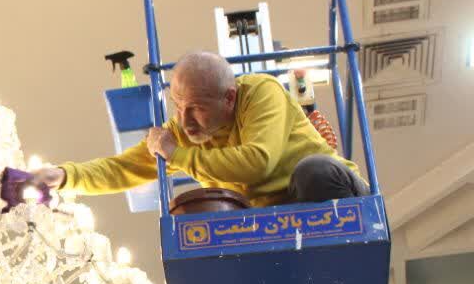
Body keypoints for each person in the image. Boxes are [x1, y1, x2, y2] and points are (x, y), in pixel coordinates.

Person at [31, 51, 368, 206]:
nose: (185, 119)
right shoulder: (183, 132)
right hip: (273, 224)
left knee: (314, 172)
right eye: (178, 106)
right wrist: (63, 176)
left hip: (330, 194)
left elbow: (257, 162)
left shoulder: (260, 92)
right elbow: (122, 168)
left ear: (229, 98)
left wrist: (176, 154)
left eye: (197, 108)